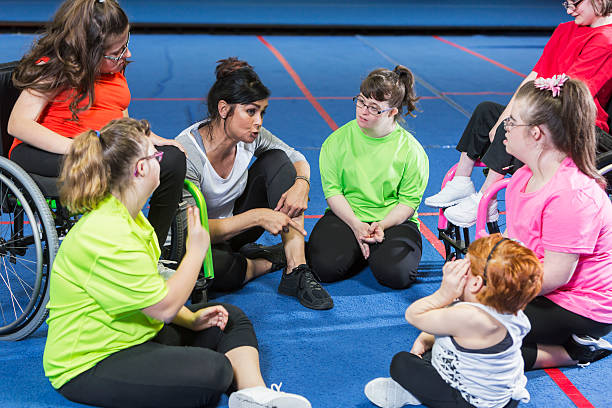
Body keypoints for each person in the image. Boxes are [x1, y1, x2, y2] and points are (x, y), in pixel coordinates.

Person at [43, 118, 311, 408]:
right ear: (142, 169)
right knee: (215, 372)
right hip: (90, 363)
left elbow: (152, 290)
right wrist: (196, 250)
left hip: (140, 332)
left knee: (229, 317)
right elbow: (163, 307)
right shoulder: (107, 232)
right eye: (155, 154)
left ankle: (255, 395)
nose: (161, 159)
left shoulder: (132, 218)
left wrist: (192, 319)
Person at [7, 0, 185, 248]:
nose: (128, 55)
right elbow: (18, 125)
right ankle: (117, 242)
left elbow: (117, 113)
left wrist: (151, 139)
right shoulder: (53, 68)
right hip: (46, 151)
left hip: (101, 146)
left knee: (172, 159)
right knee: (114, 164)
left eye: (126, 44)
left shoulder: (113, 67)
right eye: (118, 51)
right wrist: (80, 146)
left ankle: (150, 248)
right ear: (89, 51)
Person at [425, 0, 612, 227]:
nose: (569, 9)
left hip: (580, 126)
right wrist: (505, 116)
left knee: (515, 124)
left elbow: (568, 97)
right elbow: (533, 78)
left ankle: (487, 198)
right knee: (487, 111)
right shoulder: (565, 29)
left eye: (574, 3)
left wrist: (514, 121)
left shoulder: (606, 40)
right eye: (566, 3)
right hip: (546, 111)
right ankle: (462, 180)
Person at [176, 57, 333, 310]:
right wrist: (258, 216)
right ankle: (270, 261)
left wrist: (302, 184)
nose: (258, 121)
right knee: (211, 271)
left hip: (237, 230)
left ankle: (297, 269)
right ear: (224, 109)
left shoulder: (251, 136)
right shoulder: (187, 154)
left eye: (262, 112)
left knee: (278, 160)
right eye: (251, 111)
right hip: (199, 237)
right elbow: (191, 230)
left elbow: (296, 157)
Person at [503, 76, 612, 370]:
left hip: (580, 304)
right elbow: (520, 248)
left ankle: (575, 351)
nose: (506, 127)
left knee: (479, 331)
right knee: (466, 318)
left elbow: (555, 275)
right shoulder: (522, 177)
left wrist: (496, 291)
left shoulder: (571, 195)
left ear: (536, 133)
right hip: (545, 289)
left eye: (512, 122)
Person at [364, 234, 543, 408]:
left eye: (466, 264)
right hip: (501, 395)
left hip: (470, 401)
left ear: (476, 284)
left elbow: (413, 315)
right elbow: (457, 332)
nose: (458, 265)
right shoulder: (507, 308)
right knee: (430, 347)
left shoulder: (471, 317)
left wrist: (444, 293)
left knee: (402, 363)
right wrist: (427, 337)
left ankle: (414, 394)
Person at [307, 66, 429, 289]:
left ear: (392, 112)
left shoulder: (412, 151)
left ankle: (369, 252)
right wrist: (355, 225)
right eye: (361, 101)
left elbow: (408, 202)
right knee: (323, 268)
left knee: (397, 276)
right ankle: (362, 250)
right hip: (346, 217)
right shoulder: (336, 141)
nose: (363, 111)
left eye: (374, 108)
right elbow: (333, 192)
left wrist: (381, 225)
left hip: (393, 221)